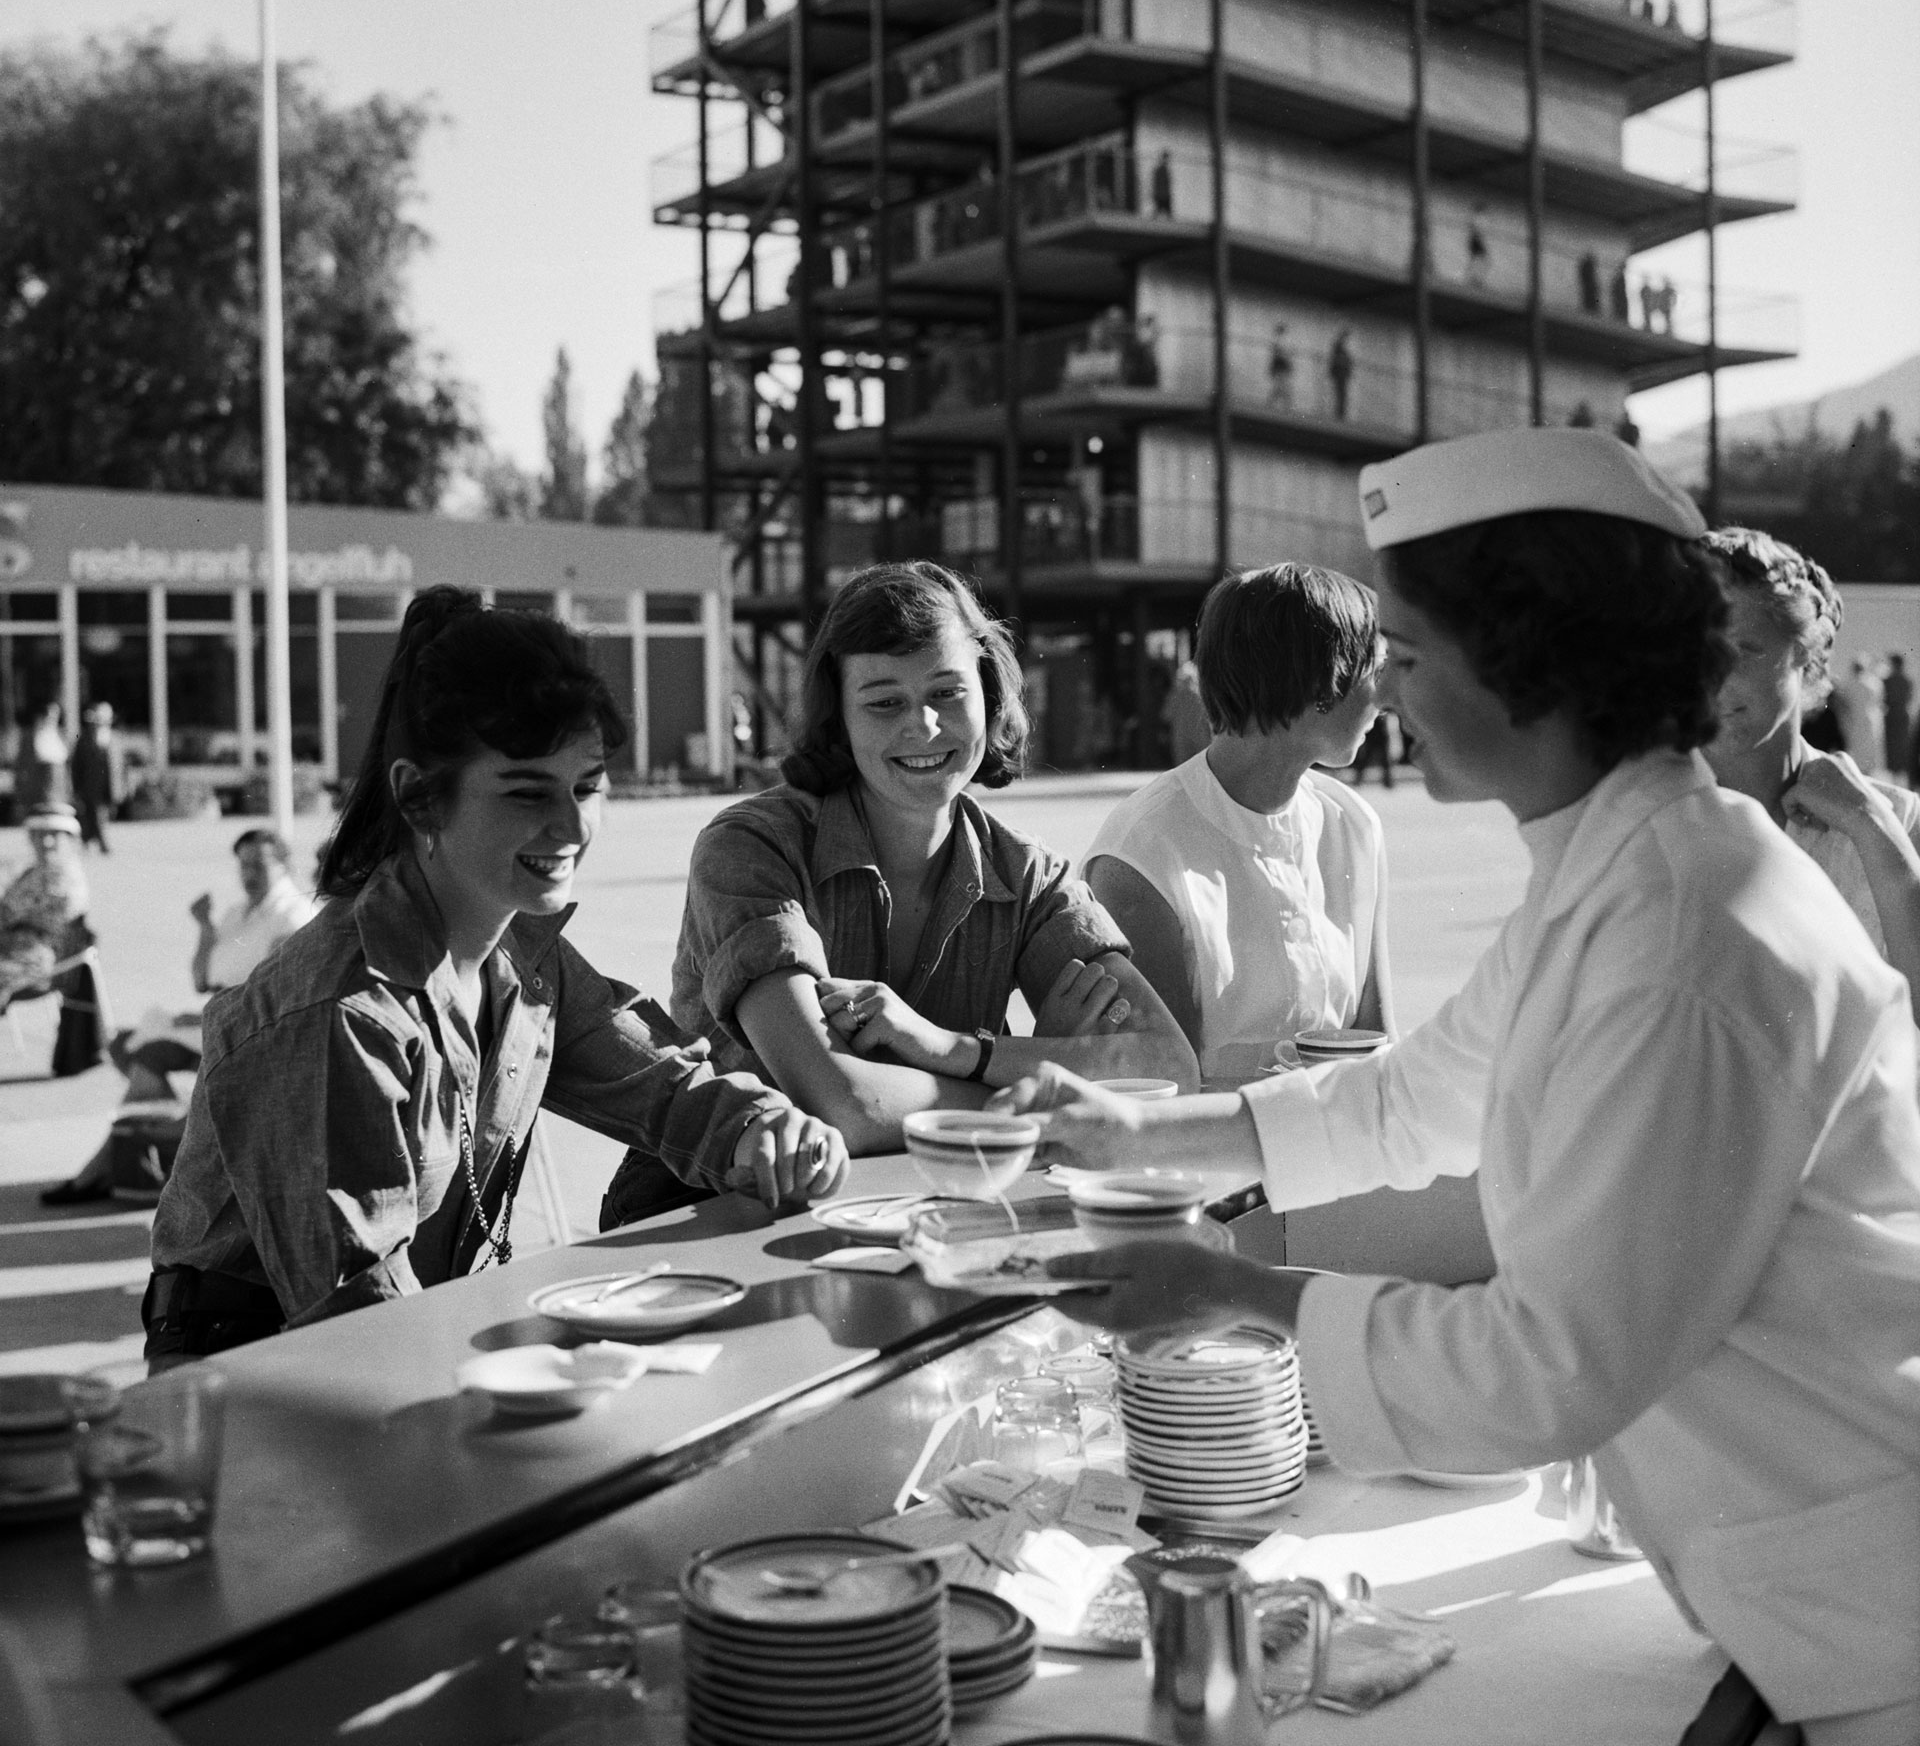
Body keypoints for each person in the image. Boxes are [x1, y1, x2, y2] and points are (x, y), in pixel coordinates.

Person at [1003, 430, 1920, 1744]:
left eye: (1413, 649)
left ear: (1535, 666)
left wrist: (1228, 1296)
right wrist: (1139, 1134)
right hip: (1809, 1597)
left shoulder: (1680, 921)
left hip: (1878, 1626)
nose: (1385, 689)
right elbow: (1416, 1094)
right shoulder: (1626, 858)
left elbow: (1556, 1364)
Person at [146, 589, 847, 1364]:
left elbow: (668, 1090)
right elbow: (354, 1317)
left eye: (587, 785)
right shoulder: (342, 1008)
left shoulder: (521, 951)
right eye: (526, 792)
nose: (573, 826)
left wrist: (770, 1133)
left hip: (420, 1350)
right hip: (255, 1390)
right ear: (419, 797)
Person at [602, 563, 1196, 1223]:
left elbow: (1169, 1067)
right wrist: (1042, 1078)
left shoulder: (1028, 876)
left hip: (929, 1207)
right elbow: (848, 1107)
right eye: (884, 701)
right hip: (715, 1209)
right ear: (839, 716)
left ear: (991, 695)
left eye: (947, 692)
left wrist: (961, 1049)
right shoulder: (750, 848)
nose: (925, 726)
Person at [1083, 565, 1392, 1087]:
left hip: (1339, 1154)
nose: (1389, 700)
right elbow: (1162, 1086)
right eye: (1377, 673)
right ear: (1322, 681)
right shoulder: (1143, 850)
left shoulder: (1353, 824)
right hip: (1206, 1157)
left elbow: (1376, 1041)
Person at [1700, 528, 1920, 1022]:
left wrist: (1873, 829)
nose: (1710, 676)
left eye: (1742, 649)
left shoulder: (1897, 822)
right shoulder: (1639, 812)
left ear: (1805, 653)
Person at [39, 829, 321, 1207]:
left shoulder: (293, 914)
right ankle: (154, 1157)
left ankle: (120, 1165)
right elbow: (202, 979)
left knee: (148, 1057)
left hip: (256, 1030)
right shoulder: (240, 911)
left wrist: (215, 1011)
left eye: (259, 863)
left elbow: (279, 991)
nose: (249, 872)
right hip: (223, 1020)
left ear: (285, 864)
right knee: (125, 1045)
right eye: (243, 863)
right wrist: (205, 926)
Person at [0, 804, 89, 1000]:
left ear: (70, 840)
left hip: (30, 963)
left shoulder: (61, 877)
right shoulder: (37, 872)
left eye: (55, 835)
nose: (47, 842)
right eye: (40, 835)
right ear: (31, 838)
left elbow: (6, 914)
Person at [71, 704, 118, 854]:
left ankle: (89, 839)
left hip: (109, 785)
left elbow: (120, 765)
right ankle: (103, 843)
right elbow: (77, 764)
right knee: (96, 813)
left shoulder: (113, 737)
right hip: (90, 785)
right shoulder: (84, 738)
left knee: (102, 814)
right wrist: (76, 786)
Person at [1833, 655, 1887, 775]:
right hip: (1871, 720)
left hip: (1854, 720)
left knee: (1857, 749)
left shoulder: (1848, 684)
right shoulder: (1874, 683)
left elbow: (1842, 702)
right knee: (1869, 749)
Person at [13, 703, 69, 811]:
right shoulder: (32, 736)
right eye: (49, 715)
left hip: (59, 786)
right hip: (40, 786)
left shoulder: (61, 736)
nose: (52, 718)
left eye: (55, 715)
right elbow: (24, 763)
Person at [1882, 653, 1912, 786]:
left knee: (1892, 749)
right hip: (1903, 717)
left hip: (1891, 717)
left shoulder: (1887, 680)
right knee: (1901, 748)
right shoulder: (1907, 681)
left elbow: (1885, 699)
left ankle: (1895, 779)